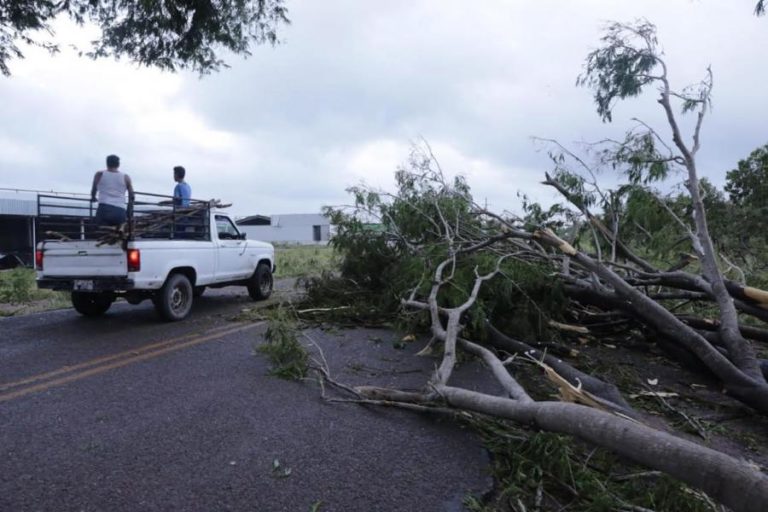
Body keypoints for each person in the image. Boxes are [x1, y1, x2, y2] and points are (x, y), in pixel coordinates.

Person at [91, 154, 134, 226]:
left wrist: (93, 197)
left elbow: (94, 189)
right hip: (120, 211)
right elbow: (131, 195)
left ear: (107, 163)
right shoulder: (126, 177)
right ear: (118, 164)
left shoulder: (99, 174)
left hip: (104, 209)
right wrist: (129, 210)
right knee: (120, 231)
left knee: (101, 230)